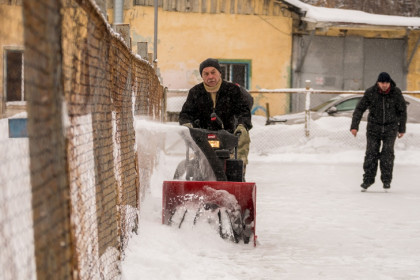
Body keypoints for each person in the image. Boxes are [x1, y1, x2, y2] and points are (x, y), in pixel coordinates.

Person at [179, 58, 252, 174]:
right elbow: (185, 114)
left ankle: (239, 171)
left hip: (229, 132)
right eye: (206, 74)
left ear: (219, 73)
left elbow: (244, 112)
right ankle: (200, 169)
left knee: (243, 135)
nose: (210, 77)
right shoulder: (195, 92)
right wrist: (187, 124)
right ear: (202, 76)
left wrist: (242, 125)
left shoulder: (233, 90)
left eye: (213, 72)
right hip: (203, 134)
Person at [350, 72, 407, 192]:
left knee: (387, 154)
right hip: (373, 128)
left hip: (390, 128)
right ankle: (367, 180)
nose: (384, 85)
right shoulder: (371, 92)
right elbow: (359, 109)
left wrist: (402, 128)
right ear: (378, 82)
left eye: (386, 83)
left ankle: (386, 180)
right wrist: (354, 126)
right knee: (371, 153)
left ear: (389, 83)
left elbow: (402, 111)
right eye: (382, 83)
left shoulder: (396, 92)